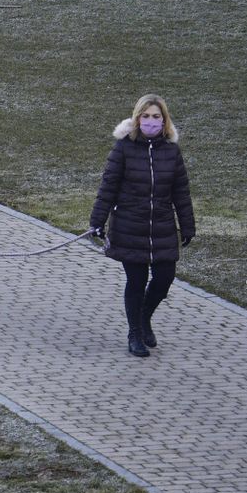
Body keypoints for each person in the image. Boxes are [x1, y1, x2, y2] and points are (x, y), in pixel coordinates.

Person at [89, 94, 196, 357]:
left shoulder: (171, 151)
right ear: (137, 119)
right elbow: (108, 187)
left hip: (162, 227)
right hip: (129, 226)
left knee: (164, 278)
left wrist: (187, 225)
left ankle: (144, 317)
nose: (151, 121)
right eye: (146, 116)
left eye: (156, 116)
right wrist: (97, 221)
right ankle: (135, 333)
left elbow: (181, 192)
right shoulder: (123, 148)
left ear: (164, 120)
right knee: (136, 281)